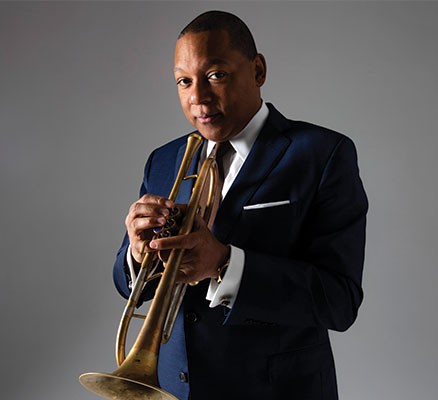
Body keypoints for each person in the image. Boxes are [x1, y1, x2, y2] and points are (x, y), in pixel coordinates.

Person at [113, 10, 368, 400]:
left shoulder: (323, 153)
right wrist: (135, 251)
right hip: (172, 388)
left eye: (216, 75)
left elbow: (339, 301)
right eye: (184, 82)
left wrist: (224, 264)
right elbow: (127, 282)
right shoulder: (163, 161)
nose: (198, 97)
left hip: (275, 389)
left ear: (258, 70)